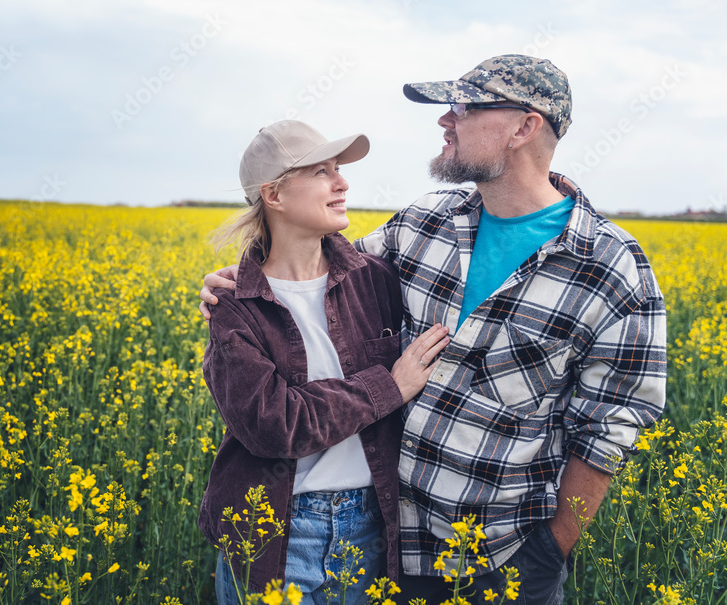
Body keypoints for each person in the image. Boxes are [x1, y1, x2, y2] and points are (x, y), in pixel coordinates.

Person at [201, 55, 667, 604]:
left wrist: (550, 550)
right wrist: (240, 280)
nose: (445, 121)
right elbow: (321, 271)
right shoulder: (425, 224)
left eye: (463, 108)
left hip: (507, 558)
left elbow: (612, 425)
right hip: (393, 544)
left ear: (524, 126)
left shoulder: (609, 265)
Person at [199, 119, 450, 605]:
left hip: (371, 521)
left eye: (339, 170)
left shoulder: (376, 279)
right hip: (278, 527)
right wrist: (388, 388)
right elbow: (274, 426)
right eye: (321, 172)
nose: (342, 183)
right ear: (273, 194)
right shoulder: (233, 305)